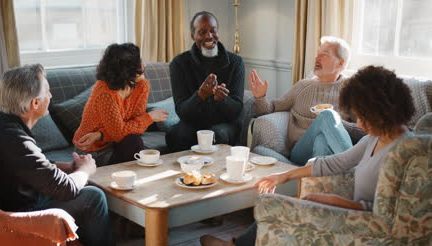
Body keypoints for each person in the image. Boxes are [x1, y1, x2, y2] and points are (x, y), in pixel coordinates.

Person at [200, 65, 415, 246]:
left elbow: (390, 213)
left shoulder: (403, 151)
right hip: (353, 213)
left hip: (363, 225)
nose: (358, 123)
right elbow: (337, 162)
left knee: (280, 205)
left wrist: (333, 201)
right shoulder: (375, 138)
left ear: (382, 110)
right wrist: (286, 176)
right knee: (287, 198)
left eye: (362, 116)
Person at [0, 64, 119, 246]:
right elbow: (66, 189)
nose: (51, 95)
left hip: (1, 205)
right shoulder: (14, 140)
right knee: (93, 196)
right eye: (47, 90)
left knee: (82, 184)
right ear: (35, 103)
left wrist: (67, 167)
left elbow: (25, 165)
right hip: (11, 218)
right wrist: (86, 170)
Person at [251, 36, 364, 166]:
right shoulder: (303, 86)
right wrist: (260, 97)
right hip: (301, 152)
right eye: (317, 54)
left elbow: (364, 131)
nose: (317, 59)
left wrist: (334, 122)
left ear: (340, 63)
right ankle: (350, 169)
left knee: (323, 135)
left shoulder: (351, 91)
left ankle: (309, 179)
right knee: (258, 151)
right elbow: (270, 109)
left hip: (331, 155)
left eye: (324, 55)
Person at [73, 43, 168, 166]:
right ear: (126, 69)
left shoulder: (141, 85)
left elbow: (135, 129)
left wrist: (99, 134)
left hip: (115, 142)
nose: (144, 65)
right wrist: (149, 117)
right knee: (135, 144)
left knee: (134, 140)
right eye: (138, 62)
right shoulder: (105, 93)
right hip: (94, 150)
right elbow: (120, 134)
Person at [165, 11, 245, 152]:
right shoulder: (179, 63)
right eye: (202, 32)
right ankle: (187, 173)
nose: (209, 36)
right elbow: (182, 111)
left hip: (224, 123)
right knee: (176, 135)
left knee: (217, 135)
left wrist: (223, 100)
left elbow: (237, 110)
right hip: (191, 123)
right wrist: (200, 96)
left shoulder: (236, 63)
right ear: (193, 35)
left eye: (213, 31)